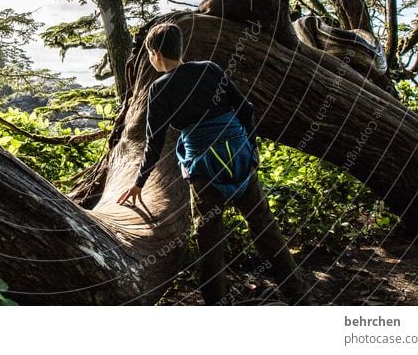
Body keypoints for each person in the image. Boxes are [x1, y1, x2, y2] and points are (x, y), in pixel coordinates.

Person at [117, 22, 311, 305]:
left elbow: (154, 142)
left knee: (210, 245)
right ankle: (299, 297)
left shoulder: (159, 89)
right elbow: (246, 109)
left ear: (156, 54)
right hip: (240, 159)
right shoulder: (209, 69)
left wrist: (138, 183)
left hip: (205, 171)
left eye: (149, 54)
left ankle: (217, 308)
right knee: (265, 230)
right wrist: (250, 151)